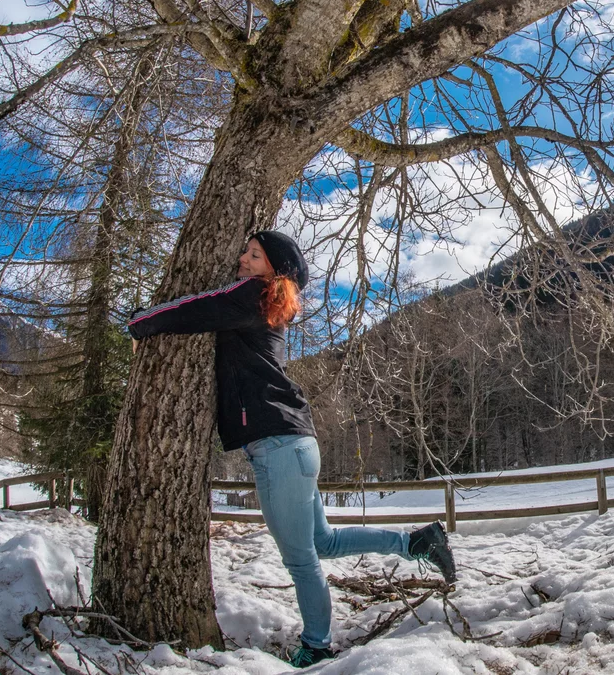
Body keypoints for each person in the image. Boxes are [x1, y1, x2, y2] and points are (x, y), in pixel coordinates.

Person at [127, 231, 456, 668]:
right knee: (323, 542)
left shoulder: (252, 294)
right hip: (297, 442)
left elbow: (196, 307)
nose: (242, 259)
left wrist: (140, 323)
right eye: (245, 251)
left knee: (302, 560)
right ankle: (417, 542)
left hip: (280, 447)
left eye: (254, 254)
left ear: (273, 270)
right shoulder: (268, 305)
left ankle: (317, 646)